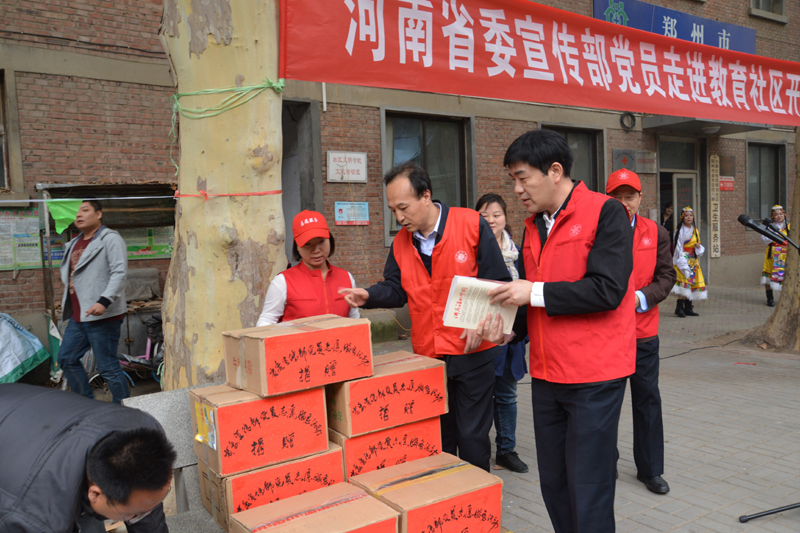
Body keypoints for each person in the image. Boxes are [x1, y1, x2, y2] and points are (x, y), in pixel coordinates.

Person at [478, 129, 635, 533]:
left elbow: (608, 289)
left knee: (589, 483)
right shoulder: (533, 225)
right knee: (555, 482)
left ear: (554, 171)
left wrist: (533, 292)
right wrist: (509, 332)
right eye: (513, 179)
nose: (517, 189)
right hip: (548, 374)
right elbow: (531, 298)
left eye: (522, 178)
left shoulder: (606, 212)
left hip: (594, 376)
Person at [339, 162, 511, 472]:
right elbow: (396, 288)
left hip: (472, 352)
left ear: (426, 196)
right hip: (429, 355)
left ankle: (476, 497)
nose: (399, 217)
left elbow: (498, 281)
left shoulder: (470, 224)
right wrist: (369, 295)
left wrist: (481, 321)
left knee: (472, 438)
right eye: (393, 210)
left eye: (403, 207)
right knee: (439, 438)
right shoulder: (401, 243)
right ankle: (444, 497)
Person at [0, 383, 176, 533]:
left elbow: (145, 506)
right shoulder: (35, 520)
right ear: (95, 494)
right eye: (134, 514)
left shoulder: (144, 435)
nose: (147, 512)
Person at [606, 169, 676, 495]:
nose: (624, 203)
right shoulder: (597, 231)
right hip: (606, 334)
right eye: (617, 197)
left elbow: (666, 277)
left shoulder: (656, 232)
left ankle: (650, 470)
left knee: (647, 400)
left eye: (630, 196)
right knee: (606, 402)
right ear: (607, 199)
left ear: (640, 197)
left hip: (643, 332)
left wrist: (640, 298)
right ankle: (605, 461)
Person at [475, 193, 529, 474]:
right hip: (481, 336)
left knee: (507, 394)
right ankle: (477, 451)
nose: (491, 220)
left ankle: (506, 450)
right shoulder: (472, 252)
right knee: (480, 397)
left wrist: (519, 330)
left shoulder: (517, 253)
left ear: (506, 217)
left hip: (511, 337)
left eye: (496, 214)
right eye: (484, 215)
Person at [57, 199, 129, 403]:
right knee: (66, 359)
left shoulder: (110, 239)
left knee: (107, 367)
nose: (79, 215)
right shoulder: (74, 243)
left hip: (103, 315)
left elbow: (119, 273)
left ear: (98, 214)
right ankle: (87, 404)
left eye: (85, 210)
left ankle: (124, 409)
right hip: (79, 316)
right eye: (76, 212)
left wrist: (104, 301)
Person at [257, 210, 359, 326]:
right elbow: (266, 321)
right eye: (307, 244)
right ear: (297, 246)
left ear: (330, 239)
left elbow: (354, 319)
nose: (316, 250)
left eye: (321, 241)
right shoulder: (283, 282)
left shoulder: (346, 277)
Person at [671, 207, 706, 317]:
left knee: (691, 283)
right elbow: (678, 248)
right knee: (683, 284)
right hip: (683, 259)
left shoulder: (695, 231)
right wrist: (681, 262)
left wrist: (698, 247)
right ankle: (679, 308)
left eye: (691, 215)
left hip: (693, 261)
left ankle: (688, 307)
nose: (689, 217)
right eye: (686, 215)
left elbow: (698, 248)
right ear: (682, 217)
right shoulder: (679, 231)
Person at [761, 205, 790, 307]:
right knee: (768, 277)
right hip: (772, 254)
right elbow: (763, 240)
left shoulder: (789, 226)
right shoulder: (769, 227)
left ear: (784, 215)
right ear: (773, 216)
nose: (779, 216)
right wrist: (773, 233)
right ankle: (770, 299)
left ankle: (785, 299)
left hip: (785, 255)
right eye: (776, 214)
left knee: (784, 276)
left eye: (781, 214)